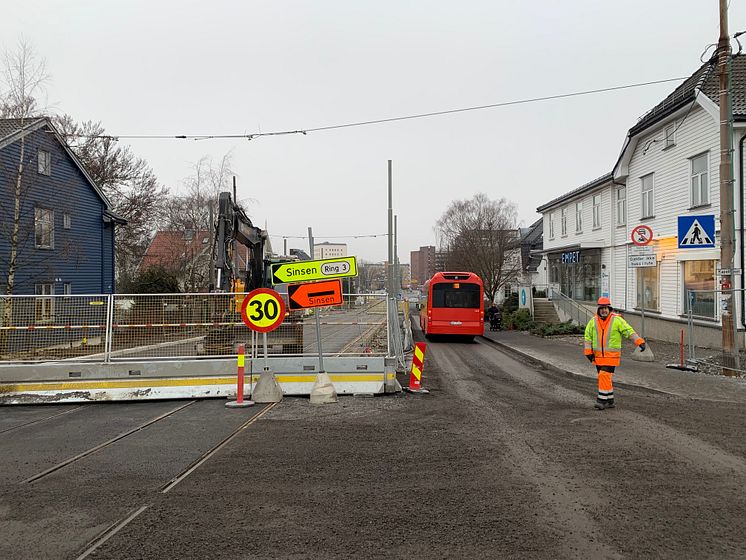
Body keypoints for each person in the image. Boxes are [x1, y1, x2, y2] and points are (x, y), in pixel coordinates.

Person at [583, 297, 646, 410]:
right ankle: (610, 400)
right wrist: (588, 352)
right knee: (605, 378)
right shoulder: (593, 321)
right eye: (601, 308)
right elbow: (588, 337)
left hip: (611, 356)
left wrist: (639, 341)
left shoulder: (617, 320)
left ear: (609, 308)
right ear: (598, 309)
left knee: (604, 375)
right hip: (598, 356)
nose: (604, 310)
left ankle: (602, 400)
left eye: (606, 308)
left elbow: (628, 331)